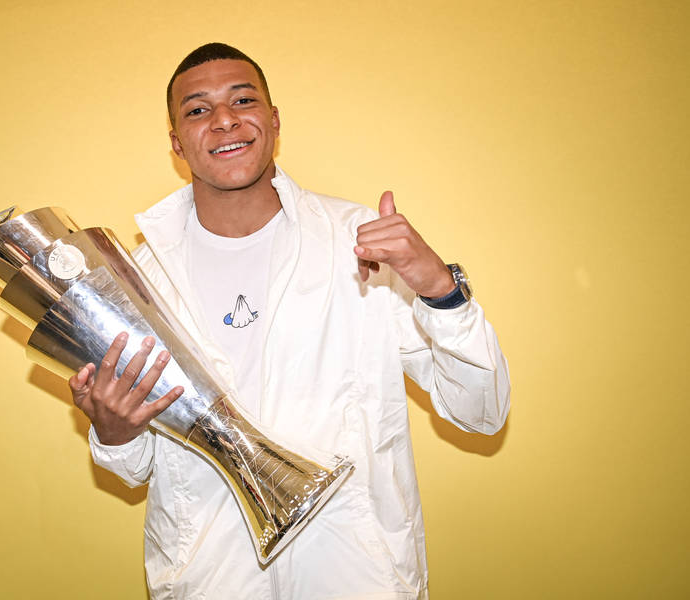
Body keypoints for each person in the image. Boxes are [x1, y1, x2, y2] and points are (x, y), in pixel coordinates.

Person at [70, 43, 510, 599]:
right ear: (177, 142)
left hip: (358, 581)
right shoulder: (138, 277)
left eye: (242, 100)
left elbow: (482, 412)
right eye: (198, 109)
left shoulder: (362, 243)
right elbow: (134, 469)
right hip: (211, 584)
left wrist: (441, 291)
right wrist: (114, 433)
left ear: (274, 120)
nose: (224, 119)